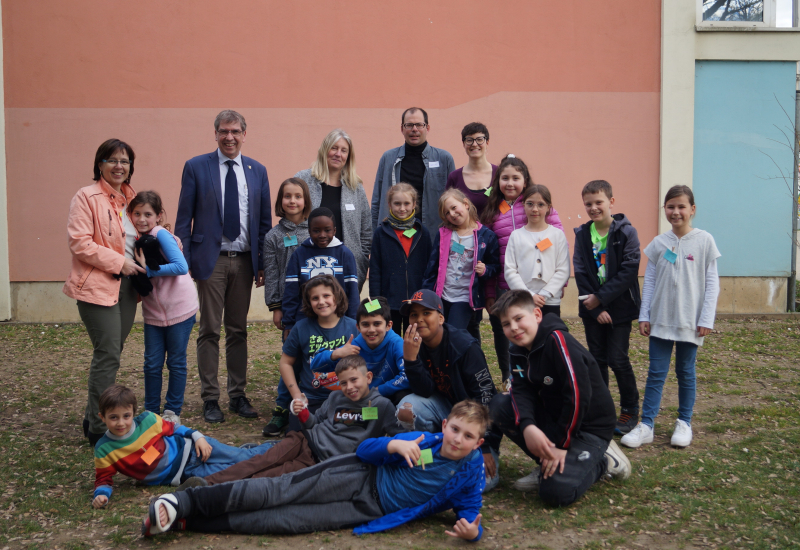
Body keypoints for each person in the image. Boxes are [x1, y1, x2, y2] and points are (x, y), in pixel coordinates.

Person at [142, 400, 488, 542]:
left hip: (369, 508)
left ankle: (186, 522)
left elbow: (470, 509)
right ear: (445, 425)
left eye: (468, 436)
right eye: (455, 429)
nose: (458, 439)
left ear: (478, 442)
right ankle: (182, 502)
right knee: (278, 489)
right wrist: (393, 445)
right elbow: (365, 450)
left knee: (286, 521)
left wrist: (473, 531)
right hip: (356, 474)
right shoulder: (423, 440)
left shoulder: (469, 472)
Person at [175, 110, 272, 424]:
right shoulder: (196, 167)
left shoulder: (257, 171)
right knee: (209, 330)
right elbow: (183, 219)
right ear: (215, 134)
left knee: (238, 330)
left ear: (244, 134)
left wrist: (262, 263)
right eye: (223, 131)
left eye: (235, 131)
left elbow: (264, 223)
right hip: (211, 260)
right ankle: (210, 398)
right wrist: (184, 261)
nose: (229, 137)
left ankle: (238, 395)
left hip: (244, 261)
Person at [489, 290, 631, 503]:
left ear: (537, 315)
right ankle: (548, 464)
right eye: (506, 324)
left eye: (519, 318)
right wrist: (527, 426)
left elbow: (577, 396)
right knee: (500, 404)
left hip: (589, 427)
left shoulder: (558, 341)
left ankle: (605, 461)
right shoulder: (517, 349)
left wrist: (561, 445)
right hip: (557, 419)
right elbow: (520, 389)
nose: (514, 328)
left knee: (555, 492)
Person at [183, 355, 402, 486]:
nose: (349, 387)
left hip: (318, 461)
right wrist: (303, 413)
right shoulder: (336, 397)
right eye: (343, 383)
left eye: (354, 380)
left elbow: (399, 437)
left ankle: (211, 487)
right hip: (302, 440)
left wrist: (409, 422)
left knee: (267, 476)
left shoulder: (382, 406)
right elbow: (314, 423)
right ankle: (205, 483)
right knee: (258, 461)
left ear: (368, 377)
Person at [621, 185, 720, 449]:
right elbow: (650, 282)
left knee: (685, 372)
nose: (676, 212)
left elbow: (712, 283)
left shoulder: (704, 241)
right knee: (656, 373)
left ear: (692, 209)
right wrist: (645, 314)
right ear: (664, 209)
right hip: (661, 320)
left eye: (681, 206)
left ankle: (684, 422)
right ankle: (647, 425)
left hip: (690, 321)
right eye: (670, 207)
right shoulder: (659, 243)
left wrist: (706, 319)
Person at [64, 139, 146, 446]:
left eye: (125, 161)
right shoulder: (86, 197)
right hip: (97, 285)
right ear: (100, 164)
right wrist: (119, 262)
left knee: (113, 352)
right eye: (112, 160)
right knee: (108, 352)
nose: (119, 166)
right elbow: (80, 243)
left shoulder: (133, 198)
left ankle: (92, 417)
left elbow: (145, 232)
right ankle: (100, 430)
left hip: (128, 287)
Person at [91, 385, 275, 509]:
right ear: (102, 417)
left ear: (133, 412)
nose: (121, 423)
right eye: (113, 417)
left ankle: (283, 447)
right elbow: (103, 480)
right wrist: (101, 495)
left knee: (242, 458)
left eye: (126, 416)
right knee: (235, 472)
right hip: (184, 474)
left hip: (194, 448)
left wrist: (198, 436)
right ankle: (267, 460)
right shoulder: (104, 449)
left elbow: (174, 428)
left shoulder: (148, 420)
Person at [397, 289, 502, 492]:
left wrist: (486, 446)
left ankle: (462, 455)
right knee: (407, 408)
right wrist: (410, 360)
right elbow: (424, 391)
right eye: (413, 315)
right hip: (446, 412)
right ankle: (430, 453)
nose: (419, 319)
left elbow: (485, 397)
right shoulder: (415, 345)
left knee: (481, 483)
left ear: (441, 318)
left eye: (426, 313)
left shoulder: (464, 346)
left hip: (472, 422)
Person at [481, 155, 564, 388]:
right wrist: (490, 291)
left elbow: (558, 244)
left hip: (541, 288)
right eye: (505, 178)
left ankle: (545, 377)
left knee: (541, 333)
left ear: (525, 180)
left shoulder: (535, 203)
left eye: (515, 178)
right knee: (507, 333)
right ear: (497, 181)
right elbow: (488, 253)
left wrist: (557, 286)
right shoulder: (492, 210)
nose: (510, 183)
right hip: (505, 284)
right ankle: (510, 377)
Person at [573, 180, 641, 435]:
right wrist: (595, 309)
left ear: (611, 202)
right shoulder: (582, 235)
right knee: (597, 360)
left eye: (598, 202)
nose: (593, 208)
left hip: (620, 309)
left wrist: (601, 299)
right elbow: (580, 272)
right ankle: (602, 411)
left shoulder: (626, 233)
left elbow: (629, 271)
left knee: (618, 359)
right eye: (588, 204)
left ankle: (629, 410)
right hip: (592, 309)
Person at [129, 191, 199, 425]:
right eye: (136, 213)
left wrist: (147, 270)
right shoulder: (134, 237)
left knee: (176, 362)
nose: (141, 219)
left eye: (148, 214)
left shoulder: (160, 234)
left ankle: (172, 411)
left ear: (158, 216)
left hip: (180, 308)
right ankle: (151, 412)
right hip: (154, 312)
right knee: (152, 363)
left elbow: (181, 267)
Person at [261, 177, 312, 437]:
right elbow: (271, 273)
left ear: (306, 200)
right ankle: (282, 407)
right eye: (287, 196)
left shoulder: (315, 231)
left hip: (316, 307)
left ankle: (310, 404)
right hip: (290, 309)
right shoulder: (273, 236)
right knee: (289, 358)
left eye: (298, 196)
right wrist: (276, 307)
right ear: (280, 201)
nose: (293, 201)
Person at [278, 275, 358, 434]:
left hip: (346, 399)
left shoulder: (354, 327)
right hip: (311, 399)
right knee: (299, 439)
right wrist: (297, 396)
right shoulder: (301, 328)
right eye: (315, 298)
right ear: (309, 302)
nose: (321, 301)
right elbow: (285, 362)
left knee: (345, 438)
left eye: (326, 295)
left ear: (337, 297)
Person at [294, 129, 372, 289]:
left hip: (346, 270)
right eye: (334, 148)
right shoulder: (303, 180)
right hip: (309, 267)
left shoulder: (356, 187)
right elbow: (291, 221)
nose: (338, 154)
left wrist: (360, 261)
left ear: (348, 156)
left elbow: (366, 232)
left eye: (344, 150)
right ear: (325, 150)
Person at [422, 189, 500, 342]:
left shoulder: (486, 236)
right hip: (443, 296)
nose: (452, 214)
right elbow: (433, 266)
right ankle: (473, 356)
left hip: (465, 298)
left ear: (466, 204)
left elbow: (495, 266)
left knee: (453, 334)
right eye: (446, 213)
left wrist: (485, 270)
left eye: (453, 207)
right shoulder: (444, 234)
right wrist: (426, 293)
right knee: (453, 334)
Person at [371, 107, 455, 240]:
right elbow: (377, 201)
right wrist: (374, 237)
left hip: (433, 236)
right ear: (402, 129)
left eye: (419, 125)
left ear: (427, 128)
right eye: (409, 125)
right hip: (394, 235)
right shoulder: (388, 159)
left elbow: (454, 201)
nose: (414, 129)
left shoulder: (444, 159)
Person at [311, 297, 410, 404]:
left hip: (389, 397)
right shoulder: (354, 347)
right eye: (365, 324)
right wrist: (337, 353)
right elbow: (315, 366)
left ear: (388, 325)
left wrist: (378, 391)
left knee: (403, 397)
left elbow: (408, 376)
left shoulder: (396, 343)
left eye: (377, 324)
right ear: (358, 327)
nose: (371, 330)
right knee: (336, 397)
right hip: (361, 399)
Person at [280, 207, 360, 335]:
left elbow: (352, 292)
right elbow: (291, 290)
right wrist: (289, 322)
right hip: (305, 319)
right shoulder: (299, 254)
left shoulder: (345, 254)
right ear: (309, 231)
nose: (322, 235)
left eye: (327, 230)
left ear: (334, 230)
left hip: (338, 321)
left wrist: (353, 321)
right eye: (316, 231)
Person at [369, 183, 432, 335]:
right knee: (392, 340)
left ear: (414, 204)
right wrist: (375, 303)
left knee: (416, 339)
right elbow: (375, 270)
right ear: (390, 204)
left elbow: (430, 268)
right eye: (397, 203)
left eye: (406, 203)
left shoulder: (422, 232)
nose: (402, 208)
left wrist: (427, 296)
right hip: (389, 301)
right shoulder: (380, 233)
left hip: (416, 301)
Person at [504, 184, 570, 318]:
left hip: (550, 301)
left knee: (549, 330)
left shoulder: (557, 235)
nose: (535, 209)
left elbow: (563, 269)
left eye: (540, 205)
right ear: (523, 205)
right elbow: (510, 270)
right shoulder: (516, 236)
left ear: (548, 207)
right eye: (530, 204)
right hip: (523, 301)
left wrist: (545, 293)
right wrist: (529, 295)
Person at [445, 122, 497, 218]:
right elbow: (447, 209)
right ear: (464, 144)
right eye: (469, 140)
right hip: (464, 228)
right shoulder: (454, 177)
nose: (474, 144)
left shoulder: (499, 174)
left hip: (496, 228)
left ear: (487, 142)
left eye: (479, 140)